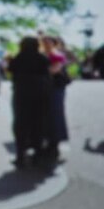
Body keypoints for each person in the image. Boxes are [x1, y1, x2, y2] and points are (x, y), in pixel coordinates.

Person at [7, 36, 51, 169]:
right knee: (38, 123)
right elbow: (47, 74)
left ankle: (20, 155)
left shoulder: (18, 58)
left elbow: (10, 71)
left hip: (21, 93)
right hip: (39, 93)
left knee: (20, 124)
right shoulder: (42, 58)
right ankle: (38, 154)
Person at [40, 35, 70, 164]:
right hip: (43, 89)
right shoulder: (40, 55)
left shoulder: (57, 55)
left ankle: (55, 143)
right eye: (44, 42)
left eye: (49, 42)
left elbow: (54, 70)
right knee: (44, 115)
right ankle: (47, 141)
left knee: (55, 113)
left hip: (55, 88)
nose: (46, 44)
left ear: (54, 43)